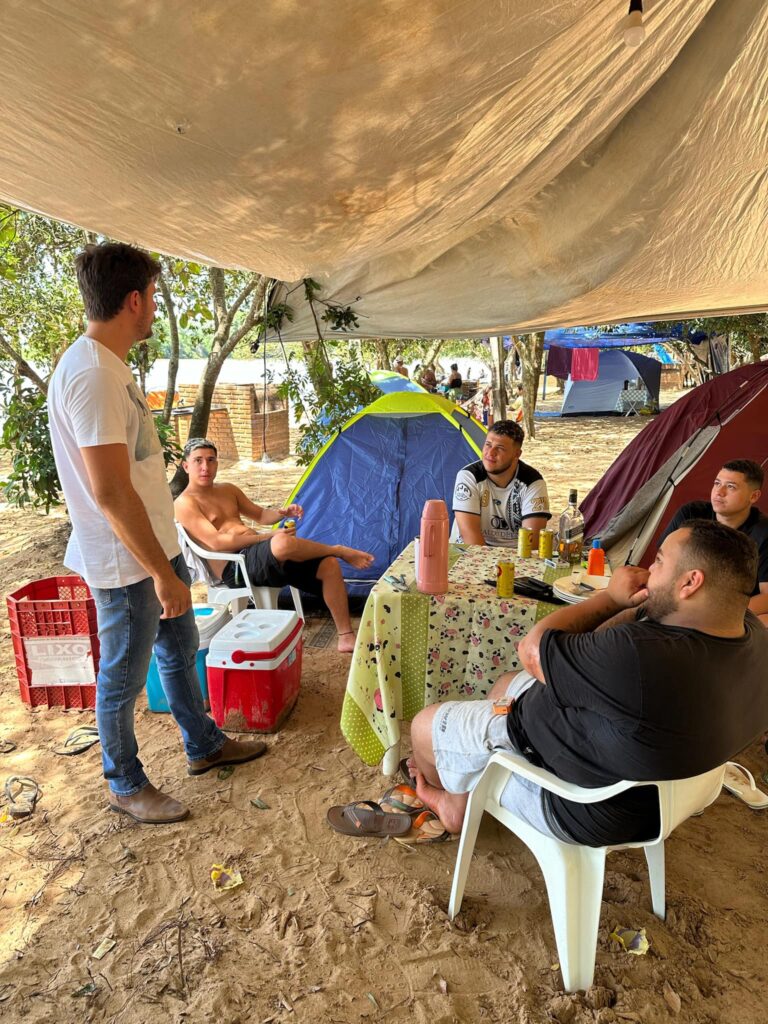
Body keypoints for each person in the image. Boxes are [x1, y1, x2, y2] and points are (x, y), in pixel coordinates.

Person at [47, 243, 264, 826]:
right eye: (153, 297)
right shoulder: (91, 373)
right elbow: (110, 491)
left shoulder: (109, 366)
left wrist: (168, 561)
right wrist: (163, 573)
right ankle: (125, 782)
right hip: (124, 560)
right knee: (121, 672)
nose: (153, 309)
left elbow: (133, 480)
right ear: (135, 300)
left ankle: (204, 744)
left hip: (151, 546)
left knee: (177, 649)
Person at [409, 521, 768, 844]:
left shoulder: (640, 657)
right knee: (506, 684)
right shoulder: (752, 635)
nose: (648, 569)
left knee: (423, 727)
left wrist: (609, 598)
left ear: (690, 582)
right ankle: (470, 780)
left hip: (578, 805)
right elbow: (601, 646)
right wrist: (648, 602)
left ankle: (452, 805)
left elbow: (532, 649)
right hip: (654, 799)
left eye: (658, 561)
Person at [174, 439, 374, 653]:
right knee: (282, 542)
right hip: (235, 568)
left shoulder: (227, 490)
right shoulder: (185, 503)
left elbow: (260, 514)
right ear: (186, 466)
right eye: (198, 461)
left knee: (329, 565)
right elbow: (216, 542)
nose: (205, 467)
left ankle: (345, 636)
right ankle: (339, 549)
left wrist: (282, 512)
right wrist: (268, 537)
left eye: (211, 460)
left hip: (260, 557)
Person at [658, 460, 768, 623]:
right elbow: (661, 564)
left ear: (754, 496)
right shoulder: (690, 514)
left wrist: (719, 615)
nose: (719, 492)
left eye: (731, 487)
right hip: (682, 599)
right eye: (717, 483)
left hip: (733, 611)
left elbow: (767, 596)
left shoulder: (763, 532)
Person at [452, 420, 550, 547]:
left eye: (500, 448)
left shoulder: (533, 483)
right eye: (488, 444)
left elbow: (532, 544)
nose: (490, 453)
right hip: (471, 551)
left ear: (517, 454)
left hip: (515, 553)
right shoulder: (469, 477)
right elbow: (471, 539)